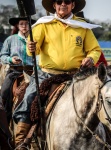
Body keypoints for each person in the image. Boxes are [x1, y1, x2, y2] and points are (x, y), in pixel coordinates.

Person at [13, 0, 102, 148]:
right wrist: (31, 46)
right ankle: (21, 140)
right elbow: (33, 49)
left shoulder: (83, 27)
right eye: (59, 1)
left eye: (67, 1)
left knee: (100, 98)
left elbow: (95, 49)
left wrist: (91, 58)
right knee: (28, 98)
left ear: (73, 5)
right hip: (47, 74)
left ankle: (109, 136)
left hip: (76, 76)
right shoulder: (43, 25)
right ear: (54, 5)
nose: (63, 4)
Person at [0, 16, 36, 124]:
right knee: (4, 91)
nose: (24, 26)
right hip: (15, 71)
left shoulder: (35, 39)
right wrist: (11, 59)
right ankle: (5, 116)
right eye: (21, 24)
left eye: (26, 23)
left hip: (33, 72)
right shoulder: (10, 39)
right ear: (17, 25)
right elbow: (2, 55)